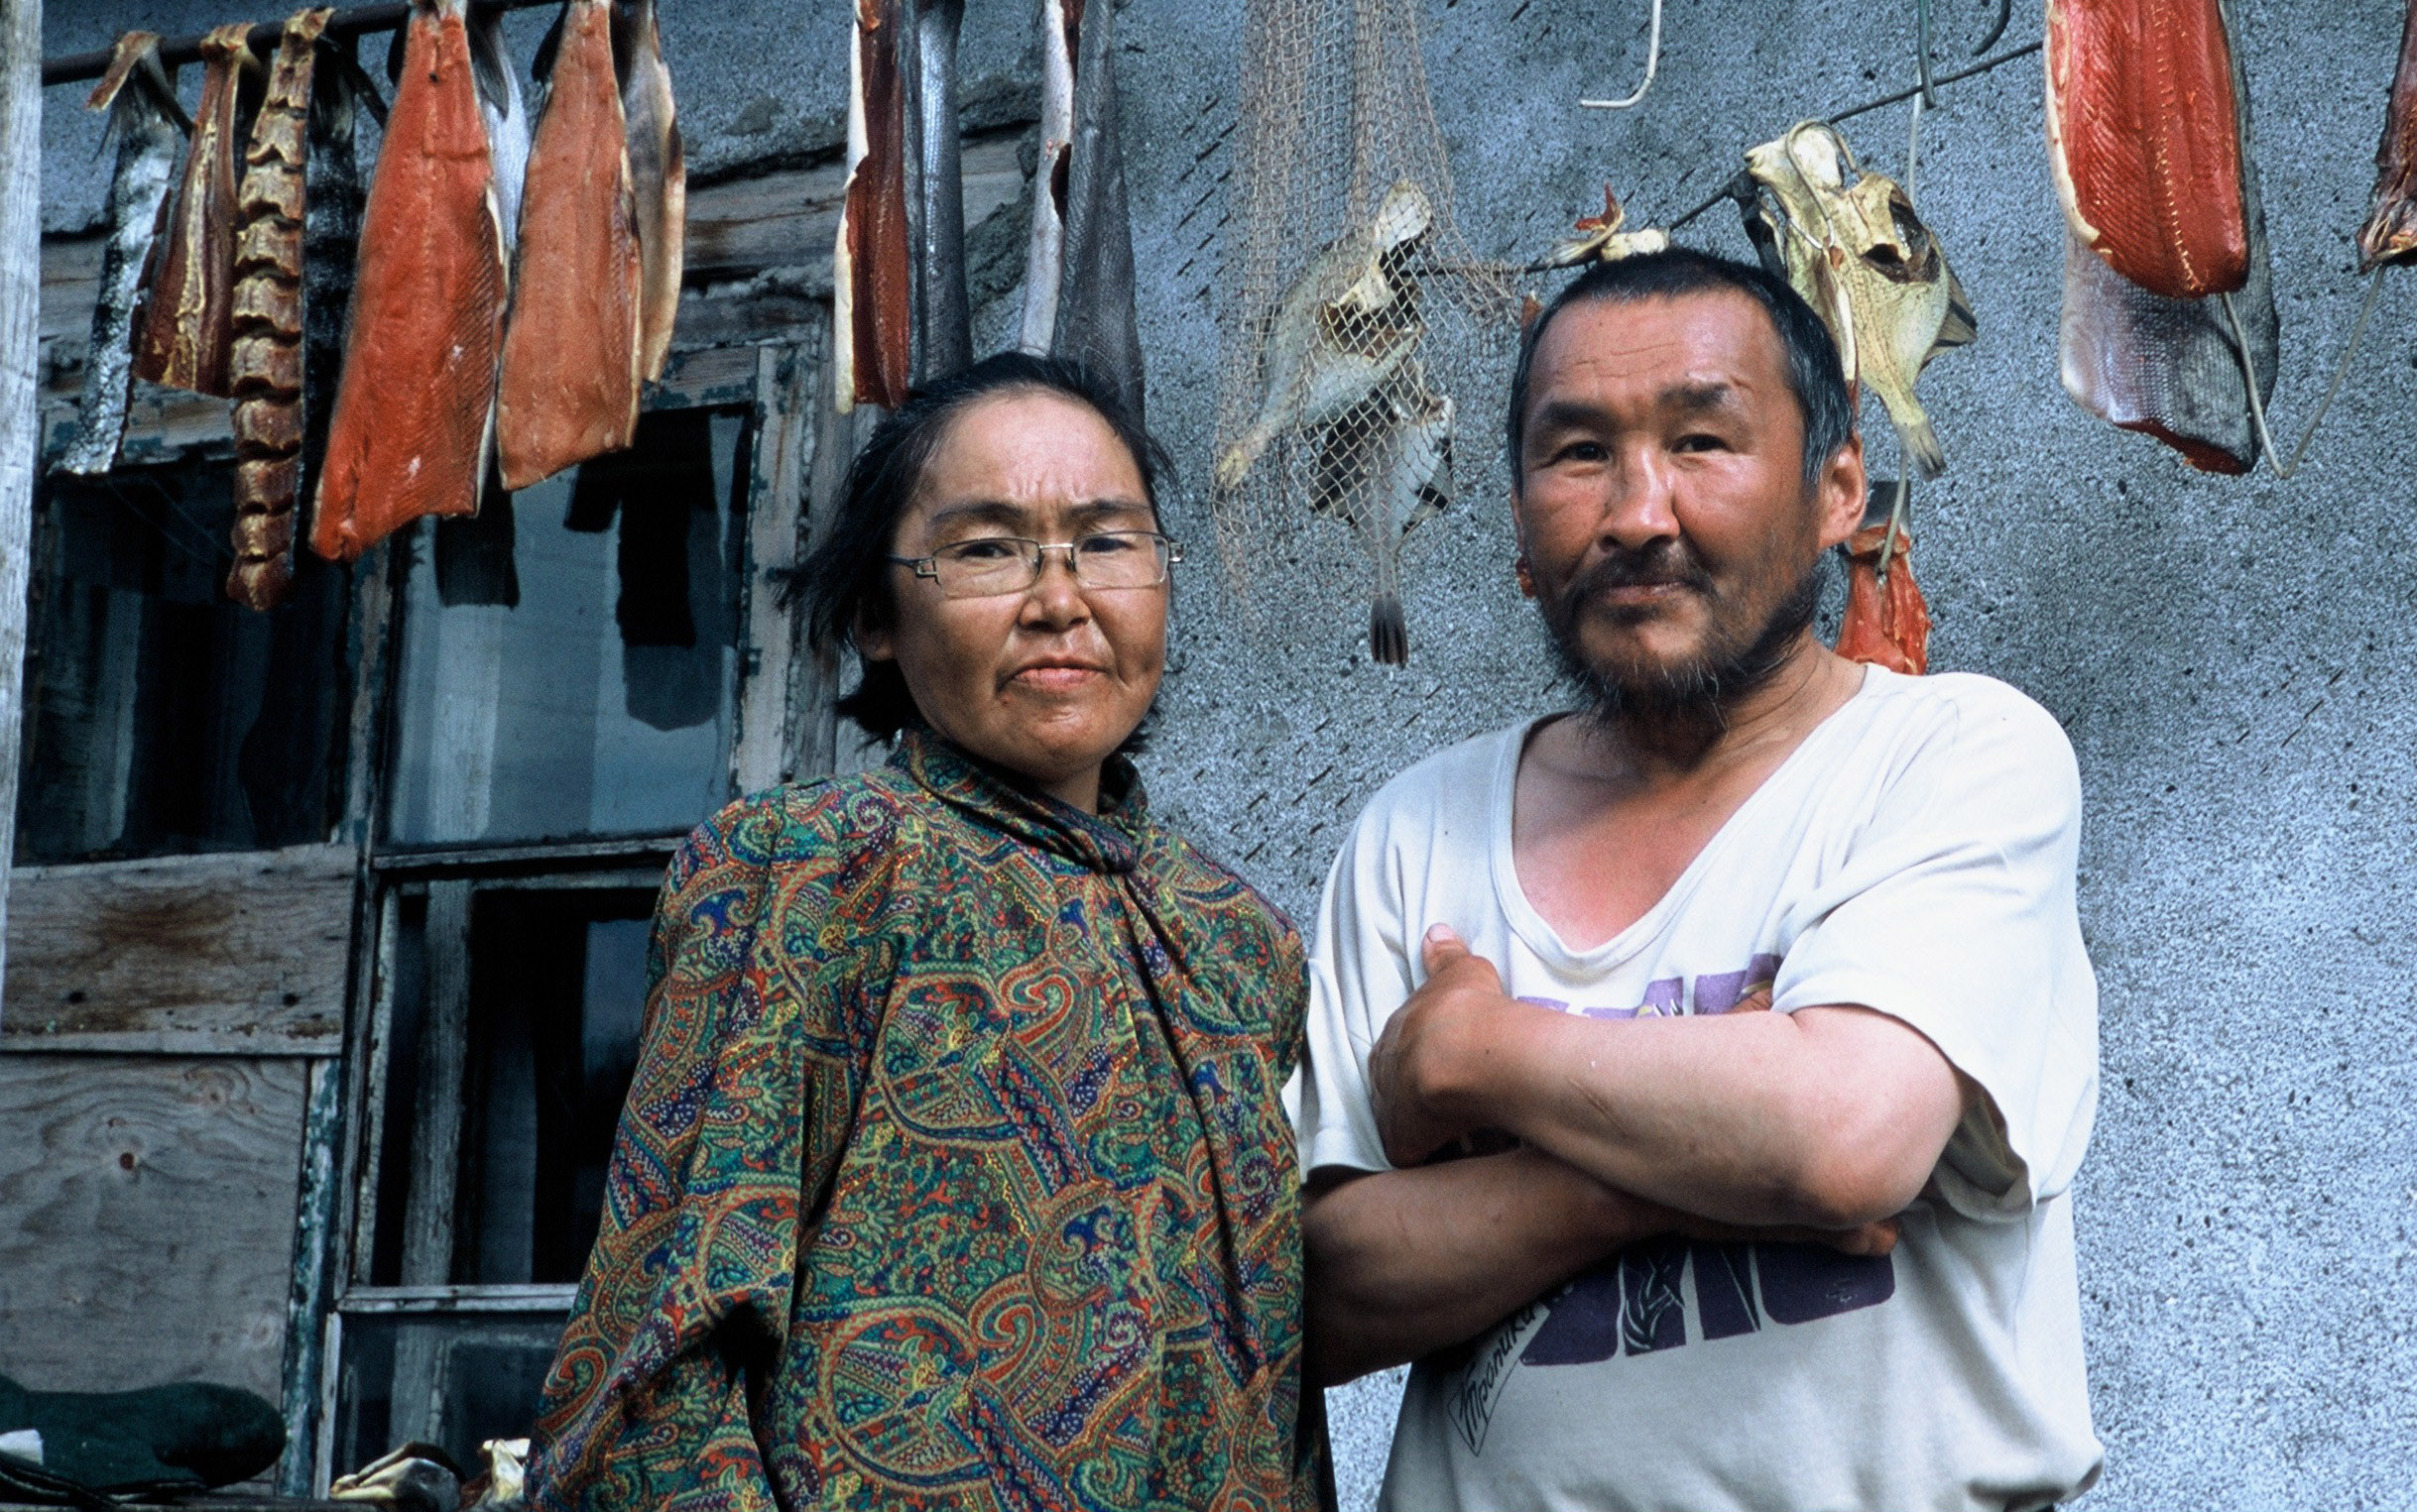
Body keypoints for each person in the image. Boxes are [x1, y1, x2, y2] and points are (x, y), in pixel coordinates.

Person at [1296, 250, 2104, 1511]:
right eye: (1578, 454)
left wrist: (1474, 1056)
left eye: (1700, 441)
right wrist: (1705, 1167)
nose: (1636, 513)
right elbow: (1321, 1294)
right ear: (1518, 525)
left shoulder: (1951, 759)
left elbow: (1843, 1138)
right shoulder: (1418, 833)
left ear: (1837, 490)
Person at [531, 353, 1325, 1512]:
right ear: (875, 615)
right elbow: (664, 1363)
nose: (1060, 601)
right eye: (988, 549)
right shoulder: (806, 873)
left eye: (1107, 542)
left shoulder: (1237, 941)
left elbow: (1273, 1393)